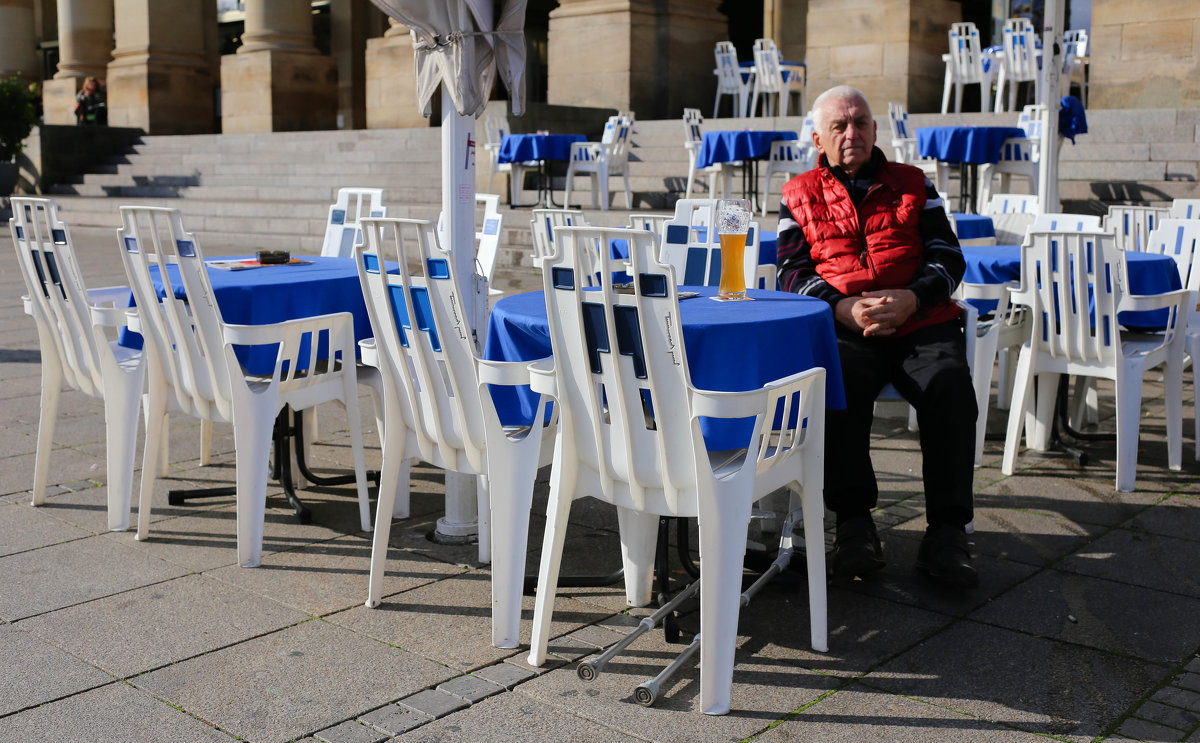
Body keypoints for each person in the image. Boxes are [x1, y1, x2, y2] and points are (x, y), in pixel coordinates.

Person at [777, 85, 978, 590]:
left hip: (921, 320)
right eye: (840, 126)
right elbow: (791, 272)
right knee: (836, 393)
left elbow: (948, 257)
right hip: (847, 326)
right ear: (819, 138)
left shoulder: (914, 183)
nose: (852, 133)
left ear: (874, 129)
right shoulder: (797, 193)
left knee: (950, 389)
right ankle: (854, 525)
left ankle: (948, 533)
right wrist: (841, 306)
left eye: (861, 122)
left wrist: (913, 297)